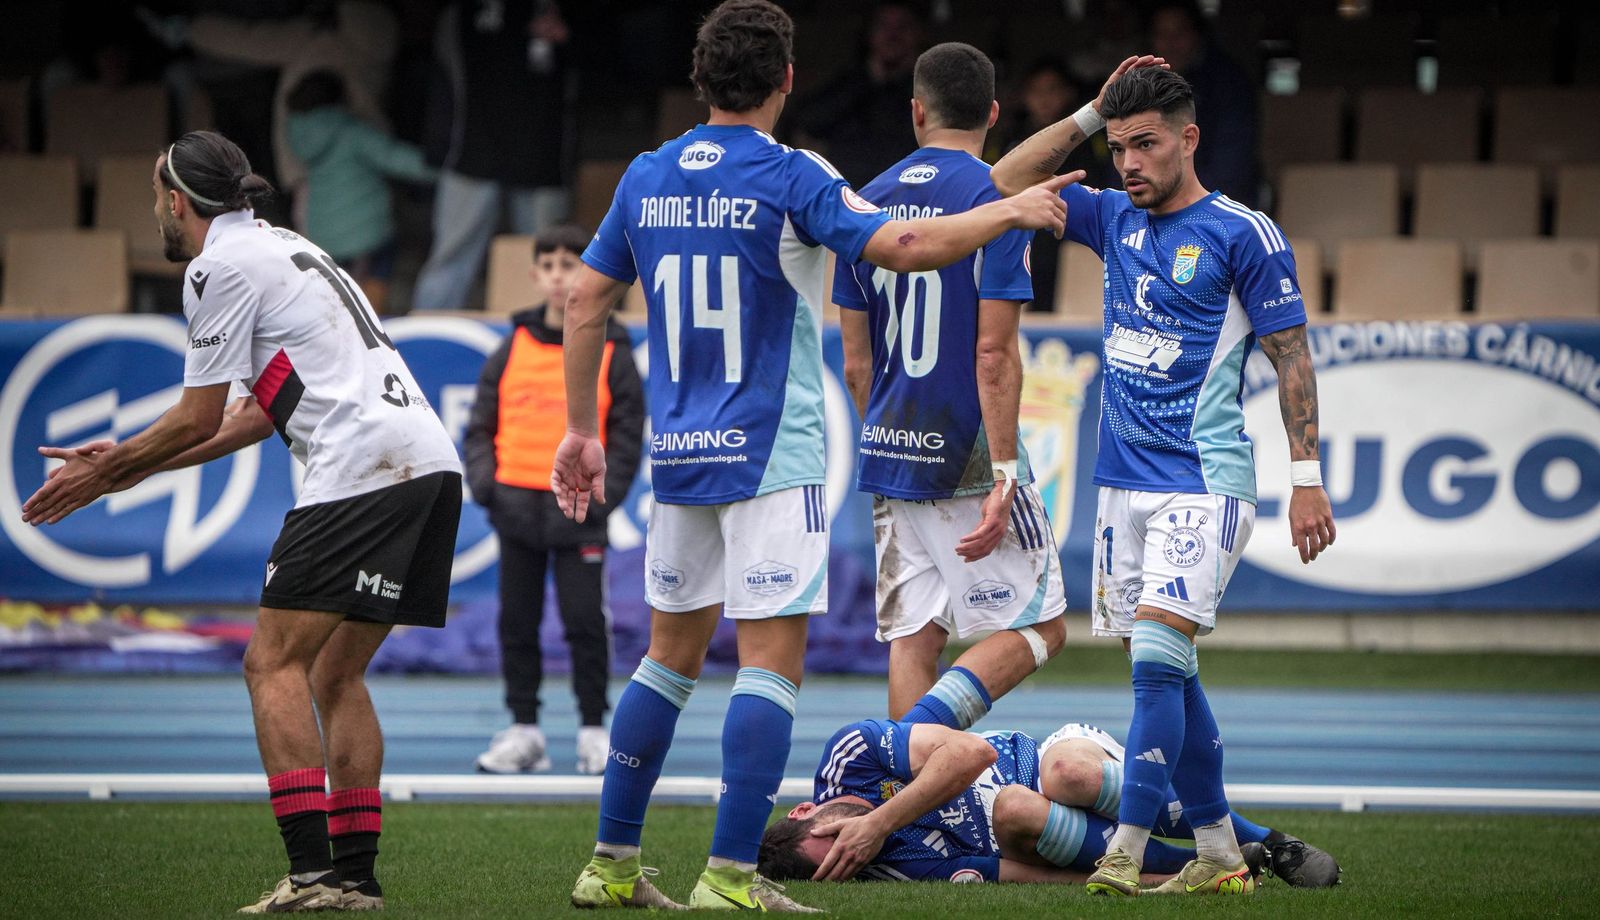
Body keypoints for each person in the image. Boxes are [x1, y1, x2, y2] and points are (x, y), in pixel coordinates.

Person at [549, 0, 1074, 911]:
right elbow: (904, 245)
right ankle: (729, 877)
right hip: (768, 457)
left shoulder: (646, 173)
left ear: (700, 77)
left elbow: (585, 301)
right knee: (766, 668)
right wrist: (1006, 210)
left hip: (679, 457)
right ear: (788, 80)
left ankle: (610, 865)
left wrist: (581, 430)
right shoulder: (793, 174)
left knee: (665, 665)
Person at [21, 130, 463, 913]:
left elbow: (194, 419)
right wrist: (127, 458)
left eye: (158, 192)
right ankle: (354, 881)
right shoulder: (286, 245)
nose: (155, 205)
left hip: (358, 470)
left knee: (270, 666)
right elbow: (259, 408)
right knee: (335, 673)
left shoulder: (215, 266)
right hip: (427, 465)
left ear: (177, 201)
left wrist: (106, 473)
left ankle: (313, 877)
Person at [993, 66, 1336, 896]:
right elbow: (1003, 181)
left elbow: (1292, 355)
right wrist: (1087, 114)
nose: (1128, 163)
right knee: (1170, 669)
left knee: (1153, 657)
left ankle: (1126, 851)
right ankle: (1221, 853)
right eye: (1118, 148)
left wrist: (1307, 478)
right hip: (1120, 485)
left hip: (1204, 479)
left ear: (1189, 138)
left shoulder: (1242, 233)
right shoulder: (1111, 216)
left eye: (1145, 144)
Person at [836, 42, 1094, 732]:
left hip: (891, 447)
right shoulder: (999, 201)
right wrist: (1005, 470)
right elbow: (994, 352)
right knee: (1040, 629)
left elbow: (856, 363)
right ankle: (926, 768)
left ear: (916, 111)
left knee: (914, 638)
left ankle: (913, 807)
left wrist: (885, 440)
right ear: (993, 113)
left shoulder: (863, 202)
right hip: (967, 448)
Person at [758, 711, 1338, 888]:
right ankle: (1209, 870)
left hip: (1046, 759)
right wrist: (1153, 888)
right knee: (1015, 810)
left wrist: (876, 822)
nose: (855, 849)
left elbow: (971, 755)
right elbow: (1007, 873)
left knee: (1062, 776)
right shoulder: (888, 869)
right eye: (845, 864)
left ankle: (1266, 841)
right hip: (1041, 834)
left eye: (839, 840)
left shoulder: (849, 756)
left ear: (806, 811)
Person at [464, 224, 644, 776]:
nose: (560, 274)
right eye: (550, 264)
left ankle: (594, 730)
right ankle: (524, 730)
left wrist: (603, 501)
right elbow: (480, 426)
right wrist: (488, 489)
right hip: (515, 508)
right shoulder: (509, 347)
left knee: (585, 622)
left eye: (572, 263)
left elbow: (628, 431)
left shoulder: (612, 348)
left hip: (580, 514)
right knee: (516, 623)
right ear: (537, 273)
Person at [412, 0, 575, 311]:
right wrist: (438, 144)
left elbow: (605, 63)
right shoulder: (461, 12)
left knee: (554, 261)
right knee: (450, 255)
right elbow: (446, 75)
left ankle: (550, 343)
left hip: (541, 155)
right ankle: (425, 339)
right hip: (472, 151)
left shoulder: (559, 9)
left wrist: (567, 37)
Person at [286, 69, 437, 314]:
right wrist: (443, 168)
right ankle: (374, 321)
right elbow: (396, 159)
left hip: (323, 233)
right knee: (378, 270)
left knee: (333, 288)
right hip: (366, 236)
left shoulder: (299, 133)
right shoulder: (352, 132)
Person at [988, 58, 1119, 313]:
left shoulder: (1093, 140)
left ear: (1069, 93)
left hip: (1076, 238)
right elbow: (994, 183)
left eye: (1052, 90)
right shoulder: (1009, 137)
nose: (1044, 99)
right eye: (1036, 91)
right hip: (1023, 241)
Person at [786, 1, 925, 187]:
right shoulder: (847, 83)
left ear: (917, 33)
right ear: (870, 34)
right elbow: (808, 122)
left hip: (910, 193)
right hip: (850, 193)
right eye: (884, 26)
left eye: (902, 27)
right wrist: (871, 79)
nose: (893, 35)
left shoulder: (926, 89)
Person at [1147, 0, 1259, 206]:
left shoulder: (1229, 83)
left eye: (1179, 33)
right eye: (1162, 34)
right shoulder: (1142, 85)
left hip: (1217, 205)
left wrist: (1172, 200)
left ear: (1196, 35)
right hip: (1150, 206)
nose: (1170, 43)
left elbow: (1231, 167)